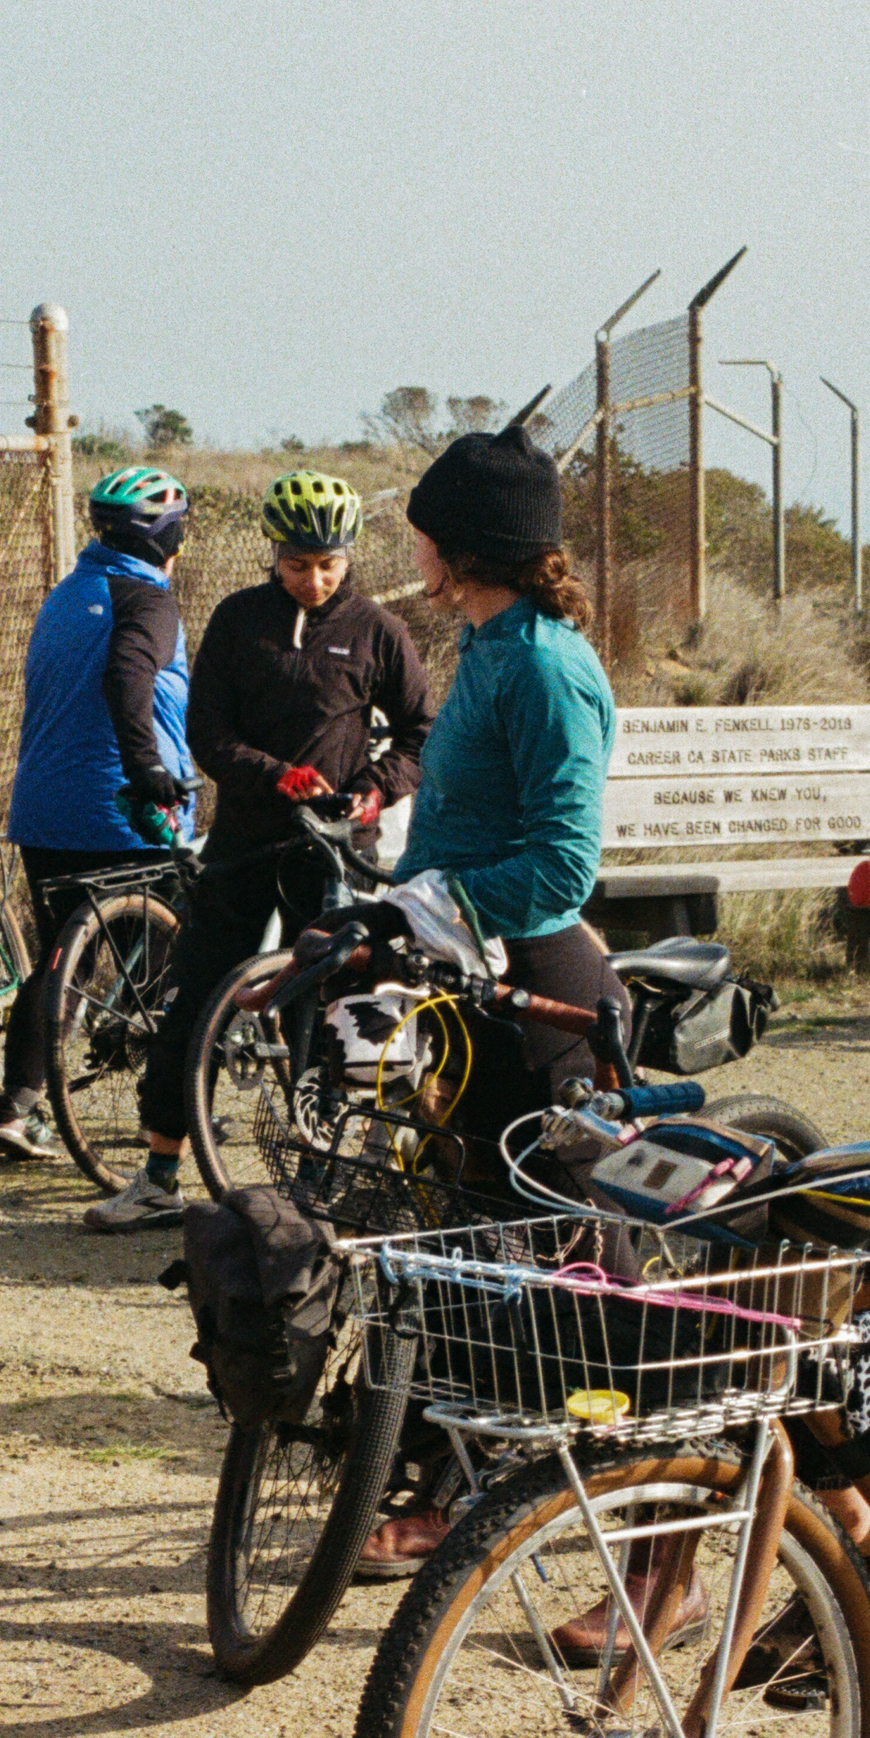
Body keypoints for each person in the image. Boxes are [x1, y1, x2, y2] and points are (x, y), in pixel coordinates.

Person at [344, 420, 626, 1574]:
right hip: (462, 982)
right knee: (466, 1250)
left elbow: (563, 870)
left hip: (535, 990)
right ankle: (457, 1486)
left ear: (456, 547)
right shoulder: (490, 645)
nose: (409, 541)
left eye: (422, 526)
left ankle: (649, 1541)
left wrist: (431, 904)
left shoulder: (550, 666)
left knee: (564, 1271)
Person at [84, 469, 436, 1232]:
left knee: (321, 1011)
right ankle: (158, 1176)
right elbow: (209, 732)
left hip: (329, 851)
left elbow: (419, 733)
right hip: (245, 839)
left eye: (328, 565)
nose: (313, 580)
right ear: (273, 554)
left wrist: (374, 789)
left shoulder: (377, 629)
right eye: (298, 564)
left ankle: (317, 1176)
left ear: (348, 557)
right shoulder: (239, 619)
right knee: (195, 1000)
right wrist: (277, 777)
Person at [0, 466, 198, 1185]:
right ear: (171, 539)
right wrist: (147, 770)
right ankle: (162, 1080)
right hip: (120, 810)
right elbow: (126, 679)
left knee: (60, 957)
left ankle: (18, 1105)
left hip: (43, 809)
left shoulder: (67, 593)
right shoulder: (149, 600)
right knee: (191, 930)